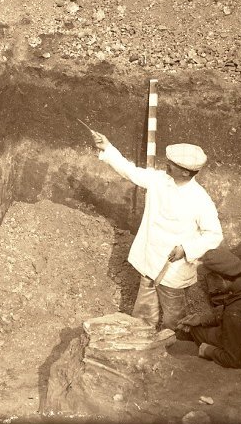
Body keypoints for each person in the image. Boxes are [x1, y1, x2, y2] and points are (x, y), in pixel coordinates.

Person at [90, 131, 223, 332]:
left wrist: (186, 249)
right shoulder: (160, 180)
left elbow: (214, 234)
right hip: (150, 260)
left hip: (173, 269)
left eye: (172, 164)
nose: (166, 165)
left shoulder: (200, 200)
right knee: (143, 313)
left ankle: (174, 350)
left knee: (174, 318)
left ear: (186, 172)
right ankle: (141, 338)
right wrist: (107, 148)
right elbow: (130, 171)